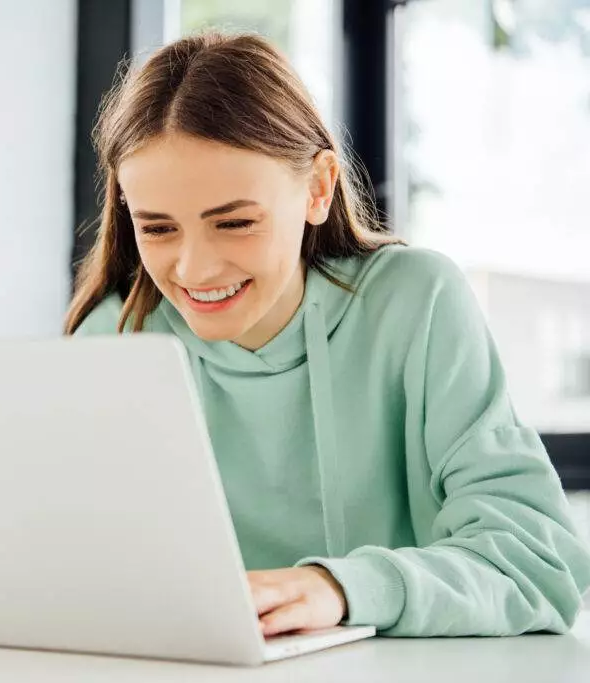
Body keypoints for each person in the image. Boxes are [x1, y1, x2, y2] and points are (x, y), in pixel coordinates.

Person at [66, 32, 590, 638]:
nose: (195, 270)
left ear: (317, 189)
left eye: (234, 222)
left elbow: (539, 563)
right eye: (157, 228)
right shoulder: (117, 335)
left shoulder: (412, 303)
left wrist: (342, 589)